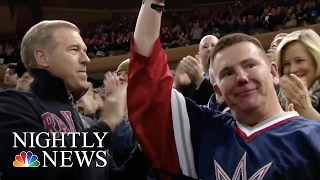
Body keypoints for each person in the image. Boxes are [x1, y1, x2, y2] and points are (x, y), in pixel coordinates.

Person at [127, 0, 320, 179]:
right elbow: (147, 81)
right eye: (228, 73)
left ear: (273, 73)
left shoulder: (312, 137)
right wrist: (153, 3)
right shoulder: (205, 133)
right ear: (217, 90)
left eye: (250, 65)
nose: (242, 78)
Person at [0, 20, 147, 180]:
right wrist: (105, 126)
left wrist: (143, 152)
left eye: (84, 51)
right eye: (74, 49)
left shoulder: (87, 124)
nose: (86, 59)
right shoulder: (11, 105)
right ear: (42, 57)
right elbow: (33, 163)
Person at [275, 29, 320, 120]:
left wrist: (306, 111)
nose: (292, 70)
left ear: (316, 60)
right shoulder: (276, 101)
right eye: (286, 64)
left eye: (299, 61)